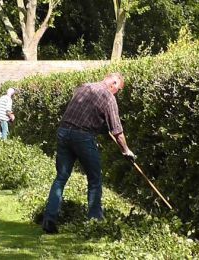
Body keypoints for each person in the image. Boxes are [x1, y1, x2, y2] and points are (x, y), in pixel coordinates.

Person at [42, 72, 136, 234]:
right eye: (118, 89)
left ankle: (49, 219)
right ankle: (95, 222)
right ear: (113, 83)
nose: (117, 93)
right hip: (83, 137)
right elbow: (117, 131)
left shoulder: (84, 87)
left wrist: (100, 126)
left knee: (61, 177)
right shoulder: (108, 97)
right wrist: (126, 151)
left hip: (63, 132)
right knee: (95, 178)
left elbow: (82, 114)